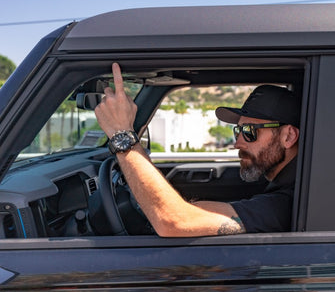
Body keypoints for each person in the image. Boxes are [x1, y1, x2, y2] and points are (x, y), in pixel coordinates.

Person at [94, 63, 301, 237]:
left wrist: (122, 137)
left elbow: (173, 221)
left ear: (288, 136)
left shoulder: (289, 203)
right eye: (237, 130)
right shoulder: (288, 186)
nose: (237, 143)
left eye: (249, 131)